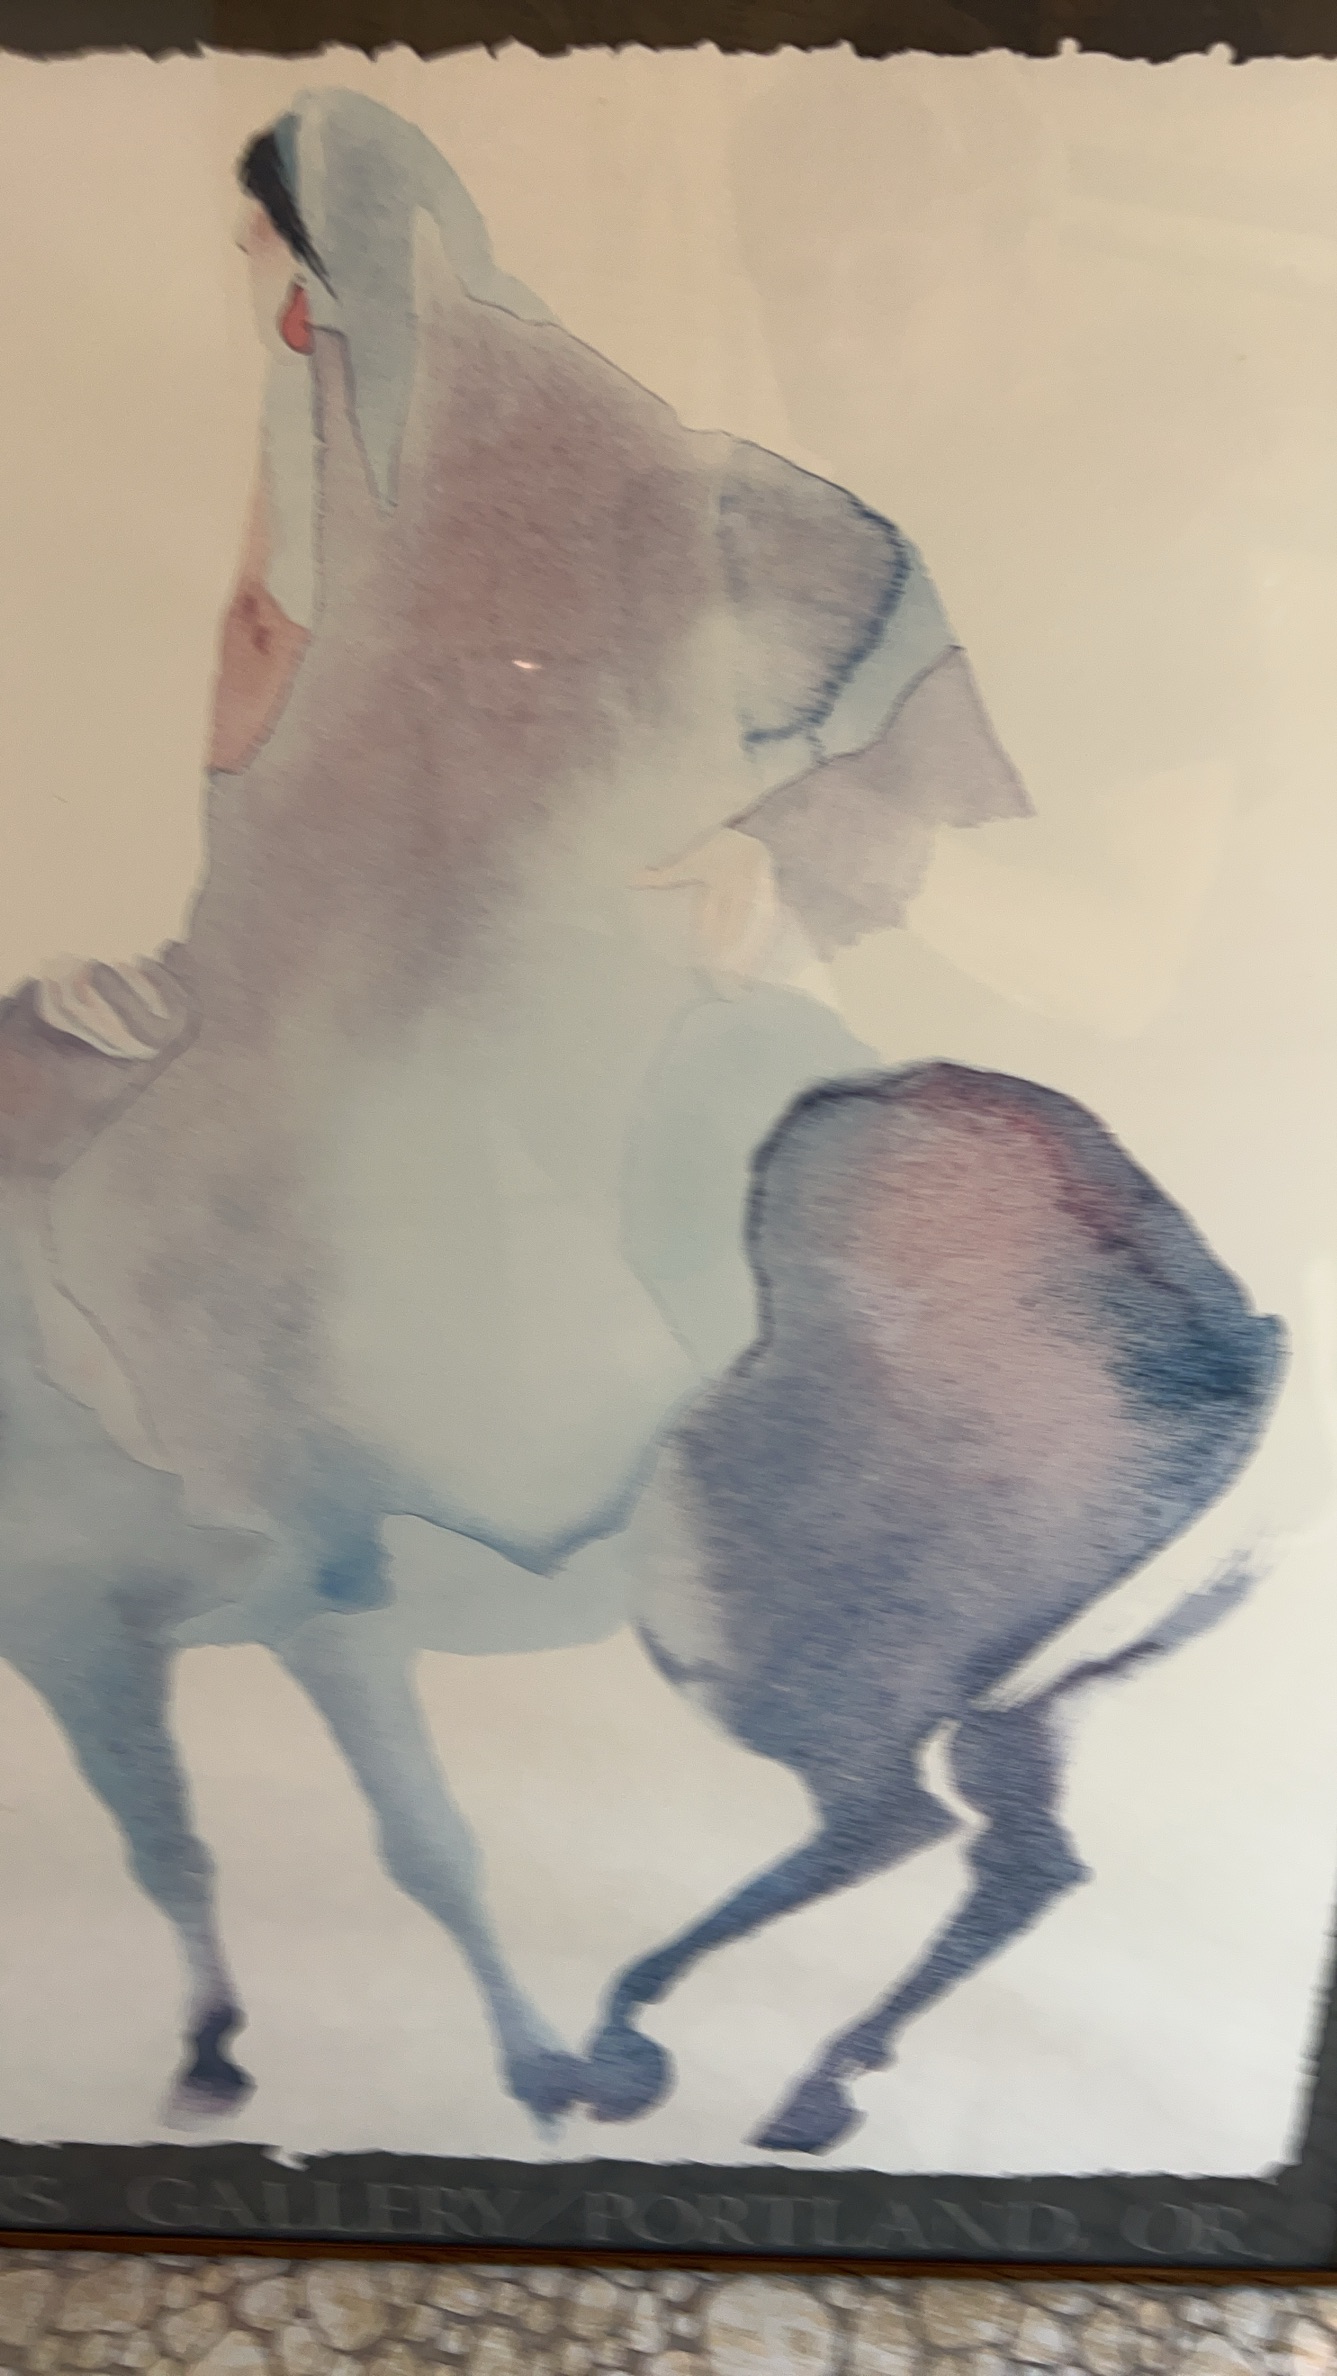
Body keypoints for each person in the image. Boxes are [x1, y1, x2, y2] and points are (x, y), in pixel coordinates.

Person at [40, 92, 1030, 1583]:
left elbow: (867, 652)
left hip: (560, 969)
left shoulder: (551, 428)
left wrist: (783, 848)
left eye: (286, 268)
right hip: (336, 975)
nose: (270, 302)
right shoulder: (249, 426)